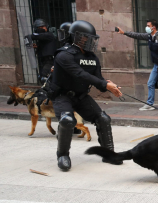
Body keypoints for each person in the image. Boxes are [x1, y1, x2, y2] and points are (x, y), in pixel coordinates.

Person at [49, 20, 123, 171]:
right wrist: (104, 84)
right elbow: (80, 74)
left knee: (103, 118)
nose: (89, 41)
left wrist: (110, 86)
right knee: (67, 120)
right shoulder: (64, 55)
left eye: (91, 38)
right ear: (76, 37)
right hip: (62, 95)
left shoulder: (92, 57)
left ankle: (108, 154)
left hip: (81, 96)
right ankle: (63, 155)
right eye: (85, 37)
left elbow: (97, 79)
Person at [116, 19, 158, 110]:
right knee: (150, 83)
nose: (147, 27)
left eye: (148, 26)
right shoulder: (149, 36)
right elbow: (137, 35)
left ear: (154, 27)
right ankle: (149, 104)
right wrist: (124, 33)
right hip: (156, 65)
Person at [26, 19, 57, 83]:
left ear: (46, 27)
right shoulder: (42, 38)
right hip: (43, 61)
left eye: (42, 27)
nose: (41, 29)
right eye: (39, 27)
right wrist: (37, 46)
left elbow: (38, 36)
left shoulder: (49, 35)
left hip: (50, 61)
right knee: (42, 77)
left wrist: (29, 36)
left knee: (45, 77)